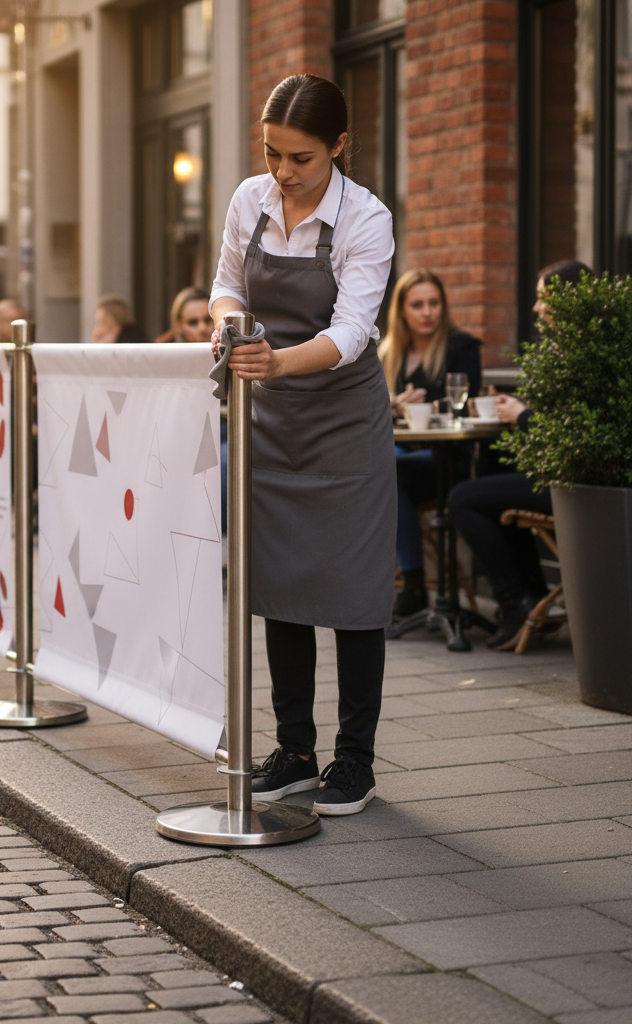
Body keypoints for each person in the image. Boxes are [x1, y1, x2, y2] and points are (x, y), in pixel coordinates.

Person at [210, 74, 395, 816]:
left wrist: (279, 361)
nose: (282, 172)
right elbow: (226, 283)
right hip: (272, 419)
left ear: (339, 148)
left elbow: (352, 332)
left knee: (353, 595)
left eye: (301, 158)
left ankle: (355, 763)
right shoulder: (249, 201)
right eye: (272, 153)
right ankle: (294, 750)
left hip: (344, 422)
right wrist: (230, 324)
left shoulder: (367, 219)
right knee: (278, 583)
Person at [448, 260, 591, 650]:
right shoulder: (571, 349)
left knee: (462, 499)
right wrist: (518, 407)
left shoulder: (583, 355)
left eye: (544, 298)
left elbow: (572, 438)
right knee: (495, 463)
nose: (535, 308)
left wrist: (523, 415)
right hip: (565, 477)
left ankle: (516, 601)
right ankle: (528, 595)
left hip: (575, 485)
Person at [378, 269, 482, 618]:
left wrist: (424, 407)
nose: (427, 312)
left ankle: (413, 584)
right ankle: (407, 581)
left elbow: (464, 406)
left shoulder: (461, 348)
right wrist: (391, 405)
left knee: (387, 469)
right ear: (402, 310)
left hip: (446, 459)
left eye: (434, 303)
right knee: (383, 466)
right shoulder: (387, 353)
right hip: (400, 460)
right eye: (418, 304)